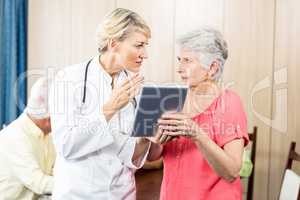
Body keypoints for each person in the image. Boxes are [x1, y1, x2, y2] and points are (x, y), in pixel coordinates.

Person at [49, 8, 152, 200]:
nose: (145, 54)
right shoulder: (69, 79)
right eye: (138, 45)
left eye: (146, 46)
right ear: (114, 44)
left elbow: (131, 154)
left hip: (123, 194)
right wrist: (110, 108)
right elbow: (66, 146)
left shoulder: (135, 86)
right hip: (78, 195)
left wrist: (147, 137)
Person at [148, 27, 249, 200]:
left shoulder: (229, 102)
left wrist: (196, 134)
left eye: (187, 60)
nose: (179, 68)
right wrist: (153, 140)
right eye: (179, 59)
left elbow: (232, 172)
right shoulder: (172, 99)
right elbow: (152, 156)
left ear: (212, 68)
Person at [0, 77, 56, 199]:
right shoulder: (15, 137)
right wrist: (77, 185)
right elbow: (38, 183)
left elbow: (54, 173)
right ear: (49, 119)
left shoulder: (48, 137)